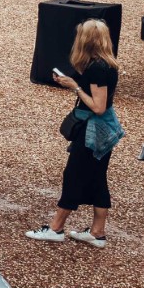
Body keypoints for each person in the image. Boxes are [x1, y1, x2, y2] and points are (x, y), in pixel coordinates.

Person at [27, 20, 123, 248]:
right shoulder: (105, 64)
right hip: (102, 130)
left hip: (93, 132)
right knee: (97, 178)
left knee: (74, 175)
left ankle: (55, 228)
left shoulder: (98, 68)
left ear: (86, 41)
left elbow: (98, 107)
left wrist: (75, 87)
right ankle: (97, 232)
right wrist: (71, 81)